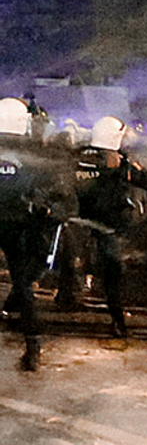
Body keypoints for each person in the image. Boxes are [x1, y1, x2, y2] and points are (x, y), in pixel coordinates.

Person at [58, 116, 147, 337]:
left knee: (70, 262)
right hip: (107, 225)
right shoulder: (117, 162)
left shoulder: (76, 157)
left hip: (76, 221)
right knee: (113, 273)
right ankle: (117, 320)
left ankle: (60, 296)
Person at [0, 98, 76, 370]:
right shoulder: (35, 151)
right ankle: (33, 345)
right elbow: (57, 192)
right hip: (22, 224)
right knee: (22, 285)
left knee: (22, 284)